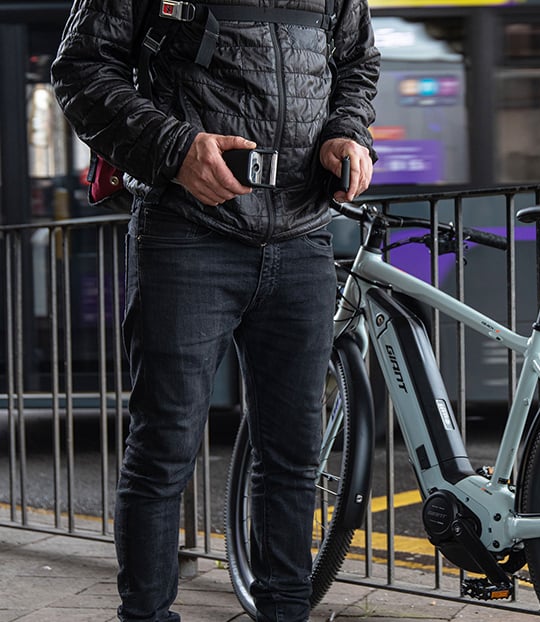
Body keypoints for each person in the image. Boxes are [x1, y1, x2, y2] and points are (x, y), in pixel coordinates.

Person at [51, 1, 379, 620]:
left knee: (294, 456)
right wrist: (174, 148)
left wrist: (348, 131)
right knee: (164, 447)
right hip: (185, 233)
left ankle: (285, 613)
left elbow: (357, 63)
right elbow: (81, 68)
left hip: (303, 233)